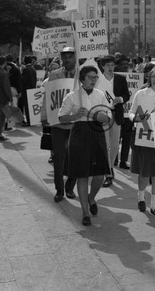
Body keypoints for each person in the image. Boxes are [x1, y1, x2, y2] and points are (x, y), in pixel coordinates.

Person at [58, 66, 111, 226]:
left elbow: (107, 117)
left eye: (95, 77)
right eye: (90, 77)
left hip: (97, 133)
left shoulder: (100, 95)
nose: (94, 80)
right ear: (82, 79)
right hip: (79, 134)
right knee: (82, 174)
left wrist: (91, 114)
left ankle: (91, 197)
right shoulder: (72, 96)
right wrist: (76, 115)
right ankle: (85, 212)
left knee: (99, 175)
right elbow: (61, 118)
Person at [41, 46, 77, 203]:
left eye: (70, 56)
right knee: (58, 157)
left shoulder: (82, 74)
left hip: (76, 123)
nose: (67, 59)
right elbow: (48, 96)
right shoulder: (54, 75)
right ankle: (59, 190)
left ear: (75, 58)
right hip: (57, 123)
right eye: (65, 56)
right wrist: (44, 115)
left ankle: (70, 187)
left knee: (74, 157)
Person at [130, 67, 155, 216]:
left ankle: (154, 204)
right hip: (143, 135)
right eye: (152, 76)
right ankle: (140, 197)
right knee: (145, 172)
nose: (154, 79)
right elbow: (132, 112)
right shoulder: (141, 93)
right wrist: (135, 119)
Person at [96, 55, 130, 187]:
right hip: (103, 114)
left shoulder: (120, 79)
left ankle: (109, 167)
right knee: (105, 145)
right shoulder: (97, 79)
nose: (110, 68)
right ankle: (108, 172)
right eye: (107, 65)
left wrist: (120, 99)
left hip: (116, 114)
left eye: (112, 65)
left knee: (115, 145)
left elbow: (127, 94)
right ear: (102, 67)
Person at [19, 55, 37, 126]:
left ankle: (29, 121)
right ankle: (31, 120)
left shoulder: (26, 69)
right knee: (30, 106)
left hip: (26, 90)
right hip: (32, 89)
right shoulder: (33, 69)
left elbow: (23, 80)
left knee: (27, 107)